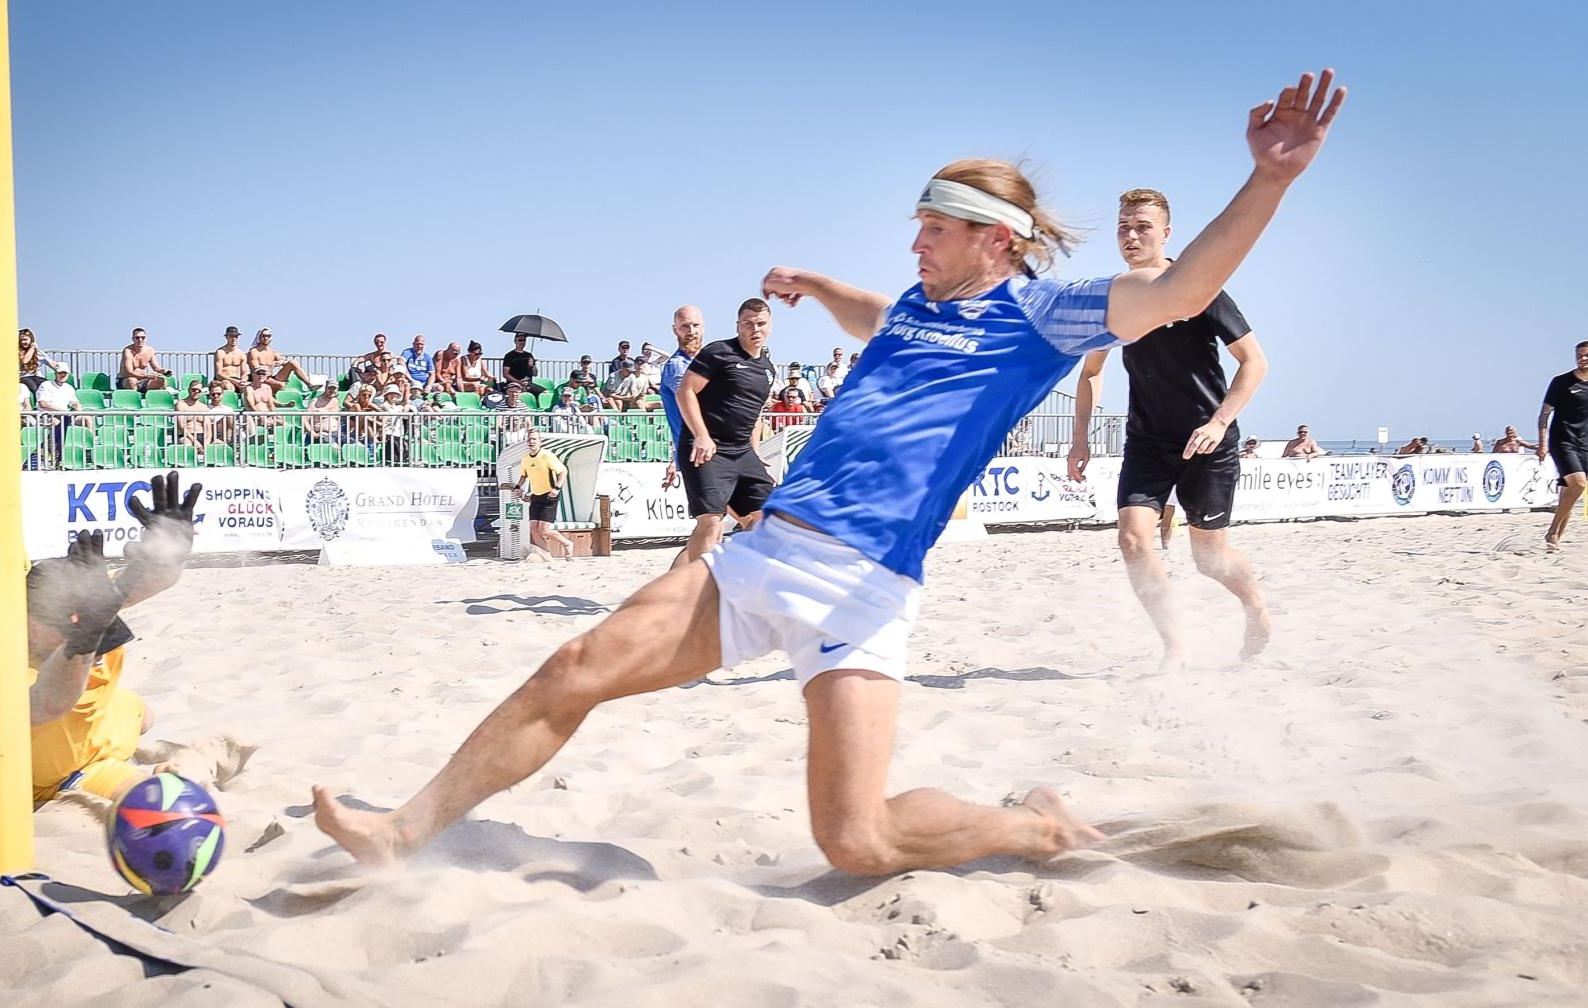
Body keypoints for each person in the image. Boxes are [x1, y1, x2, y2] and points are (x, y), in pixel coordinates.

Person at [311, 70, 1346, 877]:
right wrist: (813, 283)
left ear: (994, 241)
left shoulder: (1036, 314)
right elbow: (871, 315)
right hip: (763, 558)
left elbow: (1185, 284)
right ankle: (404, 831)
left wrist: (1269, 176)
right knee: (571, 668)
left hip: (865, 590)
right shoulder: (910, 306)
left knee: (855, 842)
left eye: (932, 230)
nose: (914, 243)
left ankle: (1033, 826)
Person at [1069, 186, 1273, 668]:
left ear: (1166, 233)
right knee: (1133, 538)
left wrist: (1220, 422)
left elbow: (1255, 363)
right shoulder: (1115, 298)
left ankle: (1255, 604)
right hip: (1148, 442)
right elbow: (1092, 371)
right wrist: (1080, 439)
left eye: (1142, 226)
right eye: (1124, 227)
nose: (1132, 235)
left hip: (1208, 441)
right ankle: (1175, 647)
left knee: (1210, 560)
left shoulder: (1198, 287)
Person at [28, 474, 212, 803]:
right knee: (162, 798)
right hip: (73, 765)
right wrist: (84, 636)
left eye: (78, 617)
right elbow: (52, 701)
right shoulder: (4, 655)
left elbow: (140, 583)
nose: (74, 624)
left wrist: (170, 551)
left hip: (108, 717)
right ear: (29, 621)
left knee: (146, 716)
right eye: (64, 622)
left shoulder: (85, 604)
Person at [668, 299, 779, 567]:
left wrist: (755, 452)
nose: (755, 329)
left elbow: (753, 416)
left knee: (769, 519)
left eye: (761, 323)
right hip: (707, 448)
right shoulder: (719, 352)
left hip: (741, 451)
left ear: (770, 327)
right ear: (738, 325)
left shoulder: (768, 369)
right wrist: (701, 435)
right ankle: (698, 588)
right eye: (748, 323)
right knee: (711, 522)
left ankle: (719, 574)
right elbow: (686, 391)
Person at [1536, 340, 1588, 550]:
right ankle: (1551, 533)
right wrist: (1542, 444)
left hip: (1585, 443)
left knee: (1570, 492)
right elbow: (1543, 416)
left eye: (1586, 355)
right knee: (1579, 484)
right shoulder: (1561, 382)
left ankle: (1555, 535)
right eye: (1579, 355)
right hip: (1562, 441)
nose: (1582, 359)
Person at [659, 305, 707, 491]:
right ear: (675, 330)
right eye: (685, 326)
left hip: (713, 449)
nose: (691, 331)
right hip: (697, 452)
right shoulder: (676, 366)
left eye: (695, 325)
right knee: (711, 517)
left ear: (703, 327)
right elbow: (695, 403)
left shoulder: (708, 361)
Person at [511, 430, 574, 559]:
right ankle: (546, 555)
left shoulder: (547, 456)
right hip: (536, 495)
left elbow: (563, 472)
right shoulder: (525, 458)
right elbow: (524, 475)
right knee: (534, 529)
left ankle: (567, 544)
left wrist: (557, 488)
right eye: (529, 439)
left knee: (544, 530)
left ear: (540, 441)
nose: (531, 442)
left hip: (549, 495)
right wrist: (518, 487)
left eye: (534, 439)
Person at [247, 327, 317, 389]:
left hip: (271, 377)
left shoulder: (273, 352)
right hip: (260, 378)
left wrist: (281, 362)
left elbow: (285, 361)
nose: (266, 338)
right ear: (259, 337)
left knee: (293, 362)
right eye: (264, 336)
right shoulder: (254, 352)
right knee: (281, 385)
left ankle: (309, 384)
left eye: (268, 336)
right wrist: (272, 366)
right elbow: (256, 370)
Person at [117, 328, 173, 393]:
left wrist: (164, 371)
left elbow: (156, 368)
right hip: (126, 380)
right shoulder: (128, 351)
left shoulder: (150, 350)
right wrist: (146, 376)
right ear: (133, 339)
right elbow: (129, 372)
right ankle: (134, 400)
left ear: (145, 338)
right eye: (137, 338)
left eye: (142, 338)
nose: (140, 340)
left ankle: (155, 401)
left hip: (143, 380)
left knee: (161, 380)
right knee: (132, 381)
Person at [173, 379, 210, 452]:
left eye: (198, 390)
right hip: (186, 436)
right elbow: (181, 426)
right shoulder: (181, 404)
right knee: (187, 445)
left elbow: (208, 428)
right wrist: (195, 441)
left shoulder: (203, 407)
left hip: (201, 435)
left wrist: (206, 443)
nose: (196, 392)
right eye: (194, 389)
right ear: (189, 390)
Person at [213, 326, 249, 394]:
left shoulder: (241, 354)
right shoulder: (220, 352)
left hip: (238, 380)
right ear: (227, 337)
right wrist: (234, 381)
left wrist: (243, 380)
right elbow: (218, 374)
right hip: (224, 380)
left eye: (235, 336)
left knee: (248, 388)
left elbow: (244, 372)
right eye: (231, 336)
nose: (233, 339)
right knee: (228, 386)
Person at [19, 328, 46, 396]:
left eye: (25, 340)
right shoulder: (18, 351)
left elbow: (50, 362)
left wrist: (60, 368)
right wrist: (32, 348)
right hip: (23, 377)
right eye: (21, 340)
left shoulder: (37, 352)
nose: (23, 342)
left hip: (36, 376)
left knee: (47, 385)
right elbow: (25, 361)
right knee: (34, 388)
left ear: (31, 339)